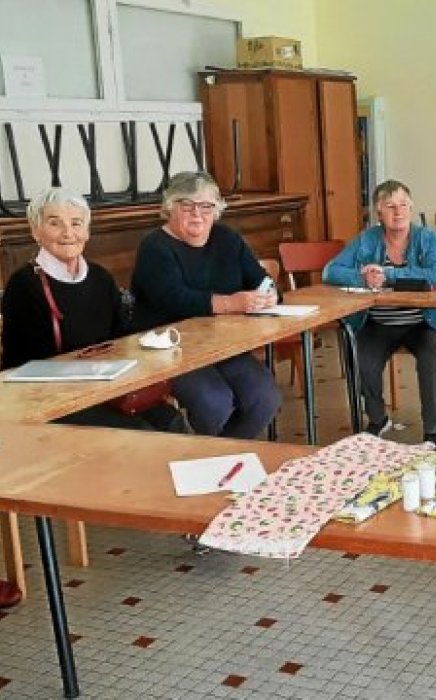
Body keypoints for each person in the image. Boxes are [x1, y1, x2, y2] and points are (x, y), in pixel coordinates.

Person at [0, 187, 185, 607]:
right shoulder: (25, 286)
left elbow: (121, 339)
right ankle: (152, 508)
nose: (67, 232)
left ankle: (187, 517)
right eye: (54, 222)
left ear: (89, 229)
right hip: (48, 401)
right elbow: (21, 363)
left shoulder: (99, 278)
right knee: (139, 434)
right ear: (35, 230)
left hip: (104, 389)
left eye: (76, 223)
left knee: (173, 424)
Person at [130, 171, 282, 439]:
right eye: (186, 205)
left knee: (265, 397)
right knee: (215, 404)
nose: (197, 214)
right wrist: (230, 303)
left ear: (217, 210)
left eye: (206, 206)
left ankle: (225, 456)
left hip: (222, 343)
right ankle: (215, 461)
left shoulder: (227, 239)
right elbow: (173, 298)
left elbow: (260, 279)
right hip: (172, 350)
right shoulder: (155, 247)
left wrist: (268, 293)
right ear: (169, 209)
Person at [323, 179, 436, 451]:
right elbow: (330, 271)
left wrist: (388, 274)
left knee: (430, 359)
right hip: (379, 321)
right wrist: (362, 275)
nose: (398, 212)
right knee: (361, 357)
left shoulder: (425, 238)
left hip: (423, 320)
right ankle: (378, 419)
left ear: (412, 207)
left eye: (403, 205)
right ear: (378, 212)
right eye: (390, 206)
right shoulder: (367, 239)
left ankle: (432, 432)